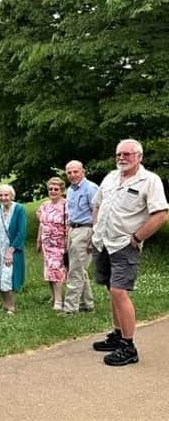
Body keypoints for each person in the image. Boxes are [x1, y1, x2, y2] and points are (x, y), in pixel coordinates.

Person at [92, 139, 168, 366]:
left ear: (139, 156)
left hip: (125, 245)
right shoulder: (110, 177)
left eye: (127, 154)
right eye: (118, 154)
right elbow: (97, 204)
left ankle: (128, 346)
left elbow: (161, 214)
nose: (122, 158)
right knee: (110, 289)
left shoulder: (150, 180)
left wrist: (137, 238)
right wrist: (97, 228)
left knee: (119, 291)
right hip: (104, 243)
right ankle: (117, 334)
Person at [62, 160, 98, 314]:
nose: (72, 175)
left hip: (86, 230)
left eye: (75, 171)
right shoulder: (70, 190)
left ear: (83, 171)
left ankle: (70, 308)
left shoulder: (91, 188)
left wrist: (93, 238)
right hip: (73, 230)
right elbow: (71, 214)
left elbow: (98, 213)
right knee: (78, 268)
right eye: (69, 172)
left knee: (75, 271)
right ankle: (87, 304)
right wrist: (67, 234)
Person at [0, 184, 27, 314]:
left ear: (12, 196)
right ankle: (4, 305)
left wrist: (11, 251)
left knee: (7, 277)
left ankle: (11, 306)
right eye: (1, 195)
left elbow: (21, 232)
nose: (3, 198)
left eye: (6, 195)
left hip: (12, 249)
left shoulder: (19, 209)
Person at [36, 177, 68, 311]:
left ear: (61, 190)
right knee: (49, 271)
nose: (53, 191)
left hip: (59, 243)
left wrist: (67, 242)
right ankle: (53, 296)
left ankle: (59, 301)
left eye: (56, 189)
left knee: (57, 271)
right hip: (47, 243)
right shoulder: (44, 205)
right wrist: (38, 240)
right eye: (50, 189)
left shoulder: (66, 204)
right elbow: (42, 224)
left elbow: (69, 225)